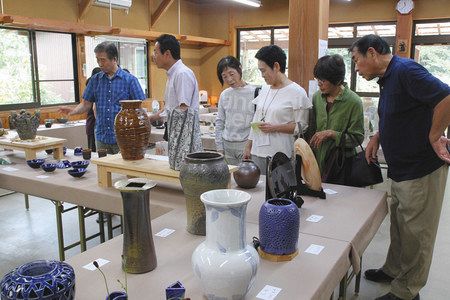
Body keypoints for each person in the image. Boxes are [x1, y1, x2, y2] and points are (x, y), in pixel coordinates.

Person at [350, 34, 450, 300]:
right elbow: (397, 112)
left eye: (357, 61)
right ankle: (394, 270)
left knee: (417, 234)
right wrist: (377, 135)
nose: (357, 69)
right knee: (399, 226)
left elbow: (446, 97)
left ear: (372, 53)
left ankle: (407, 290)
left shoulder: (406, 70)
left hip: (421, 169)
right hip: (400, 168)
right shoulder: (387, 79)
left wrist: (434, 134)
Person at [59, 42, 145, 154]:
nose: (100, 64)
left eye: (103, 60)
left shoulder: (130, 80)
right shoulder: (95, 80)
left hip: (124, 137)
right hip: (101, 137)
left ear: (114, 59)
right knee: (102, 169)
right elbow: (86, 104)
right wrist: (73, 110)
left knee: (124, 169)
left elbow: (139, 109)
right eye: (97, 60)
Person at [243, 45, 311, 174]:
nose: (262, 75)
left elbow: (302, 126)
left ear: (276, 66)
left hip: (280, 154)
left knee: (278, 191)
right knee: (258, 191)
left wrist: (275, 127)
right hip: (257, 152)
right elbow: (256, 119)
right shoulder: (264, 89)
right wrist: (248, 146)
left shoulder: (297, 92)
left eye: (263, 71)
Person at [150, 34, 202, 170]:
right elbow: (170, 106)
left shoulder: (182, 74)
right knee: (176, 167)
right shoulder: (172, 74)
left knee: (185, 169)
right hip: (175, 130)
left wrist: (155, 117)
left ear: (167, 54)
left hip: (184, 132)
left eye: (155, 52)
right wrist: (155, 116)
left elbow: (183, 109)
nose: (153, 56)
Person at [309, 54, 364, 176]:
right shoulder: (317, 97)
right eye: (317, 79)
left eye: (323, 81)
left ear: (337, 80)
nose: (319, 84)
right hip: (317, 163)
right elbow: (312, 129)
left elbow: (357, 138)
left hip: (341, 166)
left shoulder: (353, 101)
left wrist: (332, 134)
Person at [215, 56, 257, 165]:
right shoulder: (225, 94)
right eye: (224, 76)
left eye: (231, 74)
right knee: (229, 179)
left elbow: (256, 123)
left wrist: (249, 146)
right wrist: (219, 148)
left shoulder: (255, 93)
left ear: (240, 68)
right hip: (227, 144)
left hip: (246, 144)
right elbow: (220, 122)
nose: (229, 79)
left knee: (246, 179)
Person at [85, 67, 102, 152]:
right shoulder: (93, 83)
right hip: (94, 122)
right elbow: (94, 108)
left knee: (92, 149)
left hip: (91, 122)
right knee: (94, 150)